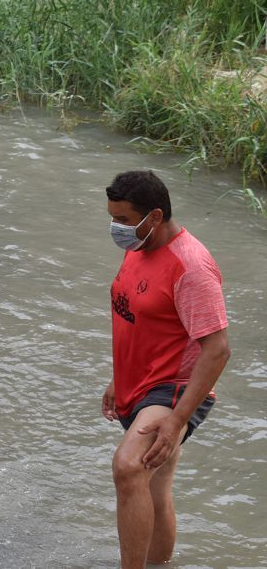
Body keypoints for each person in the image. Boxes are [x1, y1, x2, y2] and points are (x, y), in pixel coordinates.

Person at [103, 171, 230, 569]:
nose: (115, 228)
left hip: (173, 388)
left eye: (123, 219)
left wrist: (177, 420)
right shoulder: (139, 246)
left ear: (154, 216)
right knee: (154, 487)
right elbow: (141, 317)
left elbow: (218, 349)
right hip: (137, 383)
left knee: (128, 466)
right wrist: (117, 378)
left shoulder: (191, 267)